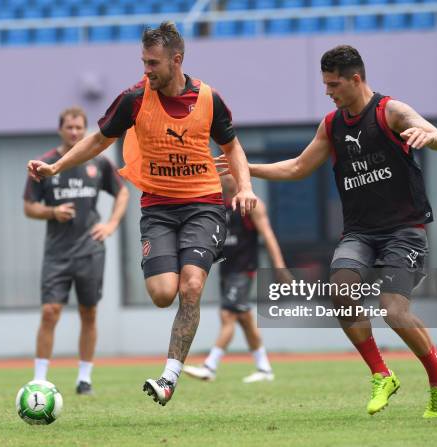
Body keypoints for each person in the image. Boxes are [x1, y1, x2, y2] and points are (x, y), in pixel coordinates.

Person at [27, 22, 258, 406]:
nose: (146, 70)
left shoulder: (209, 99)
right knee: (163, 293)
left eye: (153, 63)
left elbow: (233, 148)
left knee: (192, 286)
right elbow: (98, 140)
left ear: (177, 60)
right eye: (143, 62)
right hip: (158, 208)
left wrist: (245, 186)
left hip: (204, 202)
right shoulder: (133, 99)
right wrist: (56, 167)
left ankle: (169, 377)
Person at [218, 45, 437, 418]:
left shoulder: (390, 112)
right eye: (325, 84)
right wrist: (245, 168)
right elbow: (297, 167)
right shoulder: (332, 125)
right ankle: (381, 374)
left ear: (355, 79)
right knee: (342, 293)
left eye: (333, 84)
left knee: (393, 311)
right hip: (359, 233)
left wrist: (432, 137)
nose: (328, 91)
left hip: (404, 232)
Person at [24, 106, 129, 395]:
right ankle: (39, 380)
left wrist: (110, 225)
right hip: (57, 252)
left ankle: (85, 379)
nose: (74, 132)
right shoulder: (45, 164)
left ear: (85, 130)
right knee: (50, 312)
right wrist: (52, 211)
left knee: (89, 313)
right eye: (69, 127)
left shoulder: (99, 163)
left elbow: (123, 192)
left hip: (90, 251)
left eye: (79, 128)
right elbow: (28, 207)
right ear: (60, 129)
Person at [183, 175, 290, 383]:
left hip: (244, 269)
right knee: (244, 319)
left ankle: (210, 366)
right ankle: (264, 368)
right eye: (219, 172)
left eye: (227, 171)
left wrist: (279, 267)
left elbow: (267, 235)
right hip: (226, 269)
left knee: (228, 315)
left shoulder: (251, 203)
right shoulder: (216, 205)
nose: (222, 177)